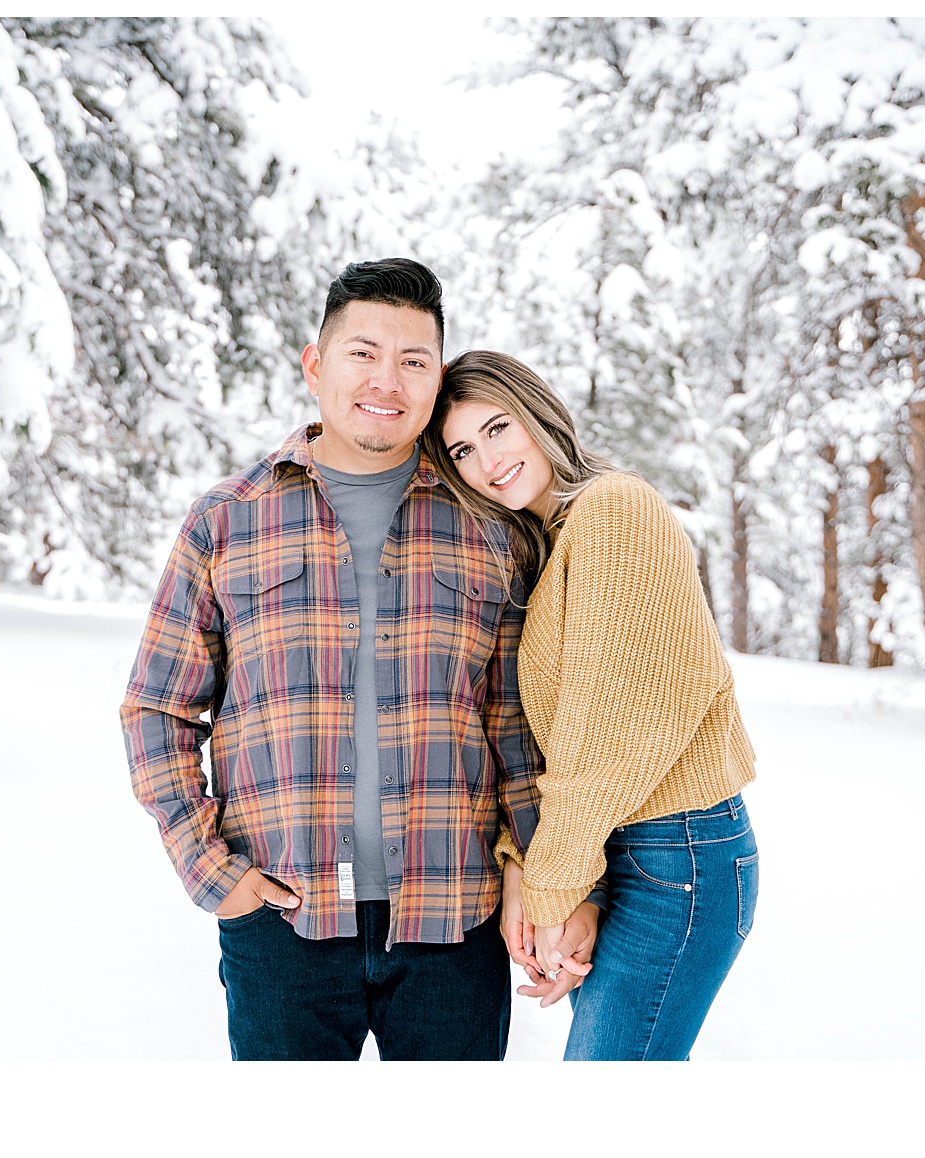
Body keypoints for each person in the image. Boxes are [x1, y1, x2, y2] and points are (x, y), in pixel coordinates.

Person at [119, 260, 542, 1061]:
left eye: (414, 360)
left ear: (437, 378)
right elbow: (156, 708)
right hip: (284, 922)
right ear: (315, 365)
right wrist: (212, 869)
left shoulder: (490, 528)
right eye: (362, 353)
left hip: (456, 921)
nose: (387, 379)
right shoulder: (227, 521)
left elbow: (516, 726)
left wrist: (530, 870)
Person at [424, 349, 760, 1061]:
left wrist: (551, 889)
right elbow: (550, 735)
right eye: (462, 449)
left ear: (538, 414)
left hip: (680, 853)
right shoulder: (551, 543)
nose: (487, 460)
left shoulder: (614, 511)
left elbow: (608, 737)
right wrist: (534, 862)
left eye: (498, 428)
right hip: (619, 850)